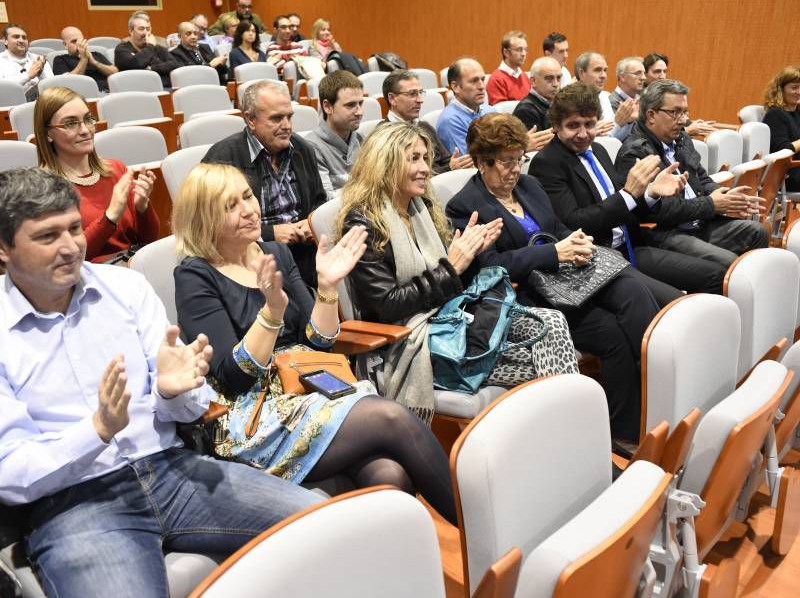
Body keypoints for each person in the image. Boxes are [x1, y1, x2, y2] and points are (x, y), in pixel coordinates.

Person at [0, 167, 321, 596]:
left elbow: (189, 408)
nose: (71, 247)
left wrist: (176, 392)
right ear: (4, 248)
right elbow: (10, 474)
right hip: (75, 503)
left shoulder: (125, 288)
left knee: (326, 526)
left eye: (75, 228)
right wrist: (96, 431)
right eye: (47, 236)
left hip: (173, 468)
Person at [172, 163, 457, 524]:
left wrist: (326, 288)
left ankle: (391, 572)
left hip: (310, 384)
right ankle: (482, 534)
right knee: (391, 417)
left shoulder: (276, 252)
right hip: (254, 413)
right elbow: (232, 377)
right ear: (204, 218)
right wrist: (272, 313)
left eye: (247, 196)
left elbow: (319, 343)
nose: (248, 209)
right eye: (230, 206)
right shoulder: (194, 274)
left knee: (389, 475)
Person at [337, 122, 579, 424]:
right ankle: (569, 432)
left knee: (552, 322)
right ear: (385, 164)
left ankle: (568, 432)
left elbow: (456, 281)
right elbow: (387, 305)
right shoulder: (364, 223)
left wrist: (472, 254)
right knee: (542, 363)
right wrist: (453, 266)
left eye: (425, 158)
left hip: (452, 319)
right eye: (413, 159)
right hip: (413, 342)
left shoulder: (423, 207)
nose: (425, 168)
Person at [447, 113, 659, 441]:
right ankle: (622, 433)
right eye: (505, 162)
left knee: (631, 289)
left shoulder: (528, 185)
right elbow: (490, 268)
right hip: (528, 298)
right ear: (480, 162)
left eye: (519, 159)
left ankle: (658, 383)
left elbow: (556, 227)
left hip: (569, 278)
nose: (515, 169)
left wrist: (575, 240)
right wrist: (553, 253)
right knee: (612, 335)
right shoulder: (465, 206)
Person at [532, 83, 727, 304]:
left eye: (590, 124)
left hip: (633, 246)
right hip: (598, 259)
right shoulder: (547, 163)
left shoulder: (598, 150)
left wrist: (651, 192)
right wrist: (629, 193)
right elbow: (575, 223)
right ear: (556, 125)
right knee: (675, 304)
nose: (583, 134)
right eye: (573, 126)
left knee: (716, 276)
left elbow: (628, 204)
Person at [616, 79, 768, 269]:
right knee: (729, 263)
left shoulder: (681, 137)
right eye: (675, 112)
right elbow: (661, 210)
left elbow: (702, 177)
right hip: (666, 232)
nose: (682, 120)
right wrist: (711, 205)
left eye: (684, 112)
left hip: (698, 221)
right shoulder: (635, 152)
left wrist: (723, 195)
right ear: (651, 115)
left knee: (757, 231)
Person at [202, 80, 326, 287]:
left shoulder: (303, 149)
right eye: (276, 118)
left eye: (289, 117)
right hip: (250, 258)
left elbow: (319, 201)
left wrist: (311, 222)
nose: (287, 126)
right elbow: (211, 224)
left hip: (305, 253)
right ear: (250, 119)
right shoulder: (223, 158)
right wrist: (270, 233)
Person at [33, 87, 159, 263]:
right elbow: (70, 257)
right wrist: (110, 217)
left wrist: (142, 208)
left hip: (134, 269)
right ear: (48, 133)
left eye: (88, 119)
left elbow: (149, 241)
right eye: (70, 123)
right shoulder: (43, 188)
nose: (85, 130)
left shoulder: (116, 168)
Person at [382, 69, 473, 174]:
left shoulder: (424, 126)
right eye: (412, 94)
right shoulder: (383, 136)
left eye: (420, 93)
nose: (420, 100)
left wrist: (457, 164)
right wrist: (450, 168)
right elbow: (401, 176)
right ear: (392, 98)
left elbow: (447, 161)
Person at [306, 70, 364, 199]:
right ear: (327, 107)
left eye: (360, 103)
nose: (359, 112)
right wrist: (366, 191)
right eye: (350, 105)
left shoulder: (362, 140)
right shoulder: (311, 148)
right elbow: (326, 200)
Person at [642, 52, 716, 136]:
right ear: (645, 73)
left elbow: (678, 117)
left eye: (664, 71)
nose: (662, 76)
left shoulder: (666, 95)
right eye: (657, 71)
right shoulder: (639, 98)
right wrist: (687, 130)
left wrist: (697, 126)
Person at [573, 51, 635, 140]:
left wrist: (628, 122)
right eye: (597, 70)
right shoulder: (571, 101)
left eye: (605, 70)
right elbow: (587, 142)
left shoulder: (605, 96)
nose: (603, 76)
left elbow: (615, 138)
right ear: (582, 73)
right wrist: (617, 123)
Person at [115, 14, 178, 89]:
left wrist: (150, 69)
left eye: (148, 29)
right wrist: (150, 45)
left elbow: (174, 64)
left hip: (163, 87)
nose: (146, 33)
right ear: (131, 31)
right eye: (141, 29)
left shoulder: (156, 48)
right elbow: (136, 64)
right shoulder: (122, 48)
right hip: (136, 89)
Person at [763, 65, 800, 191]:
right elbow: (782, 151)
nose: (799, 92)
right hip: (789, 174)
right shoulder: (775, 115)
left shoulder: (797, 112)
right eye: (794, 87)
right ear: (781, 89)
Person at [53, 26, 118, 93]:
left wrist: (94, 62)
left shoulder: (96, 55)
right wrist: (84, 59)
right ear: (65, 44)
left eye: (81, 40)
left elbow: (115, 72)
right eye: (74, 41)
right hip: (84, 95)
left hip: (109, 92)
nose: (79, 44)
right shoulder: (60, 59)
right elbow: (68, 82)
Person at [0, 23, 54, 101]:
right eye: (16, 37)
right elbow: (4, 90)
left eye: (24, 38)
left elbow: (52, 88)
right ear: (5, 41)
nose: (21, 40)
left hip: (42, 103)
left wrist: (41, 74)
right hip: (12, 102)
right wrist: (28, 76)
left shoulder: (39, 59)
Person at [512, 56, 561, 132]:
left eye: (558, 78)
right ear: (533, 81)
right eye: (549, 78)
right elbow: (543, 143)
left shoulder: (559, 104)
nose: (556, 84)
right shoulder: (525, 111)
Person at [486, 30, 531, 105]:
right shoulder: (496, 79)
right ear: (506, 52)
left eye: (525, 50)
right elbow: (500, 112)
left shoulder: (525, 76)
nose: (523, 54)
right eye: (519, 50)